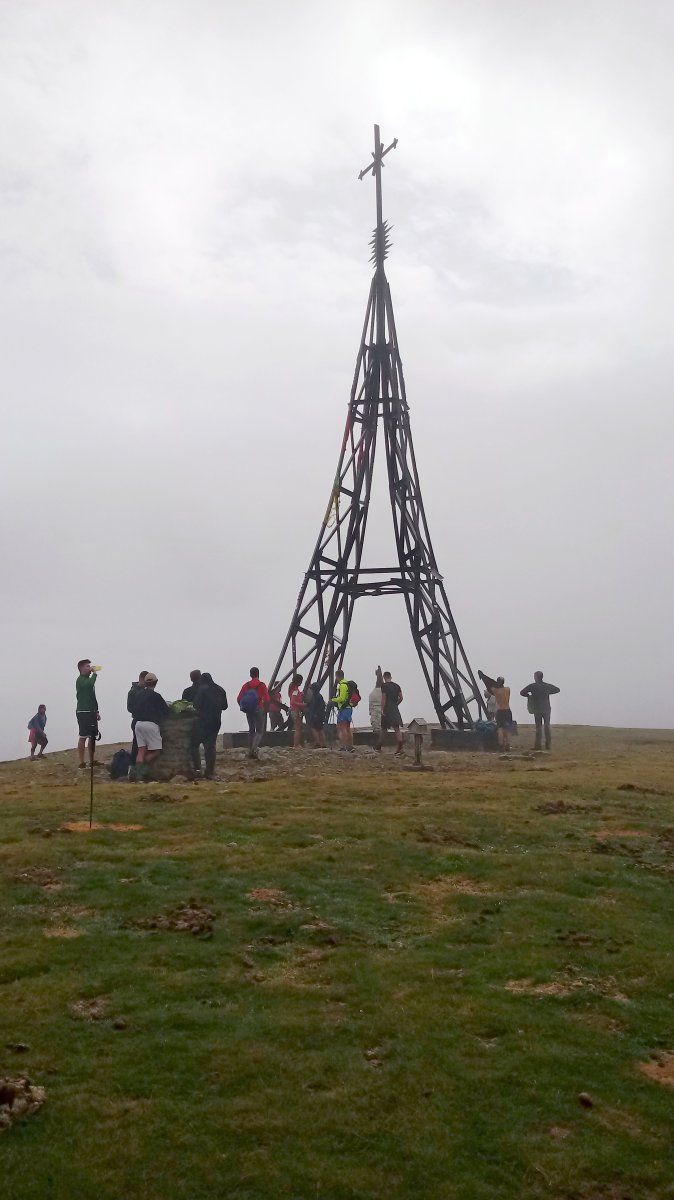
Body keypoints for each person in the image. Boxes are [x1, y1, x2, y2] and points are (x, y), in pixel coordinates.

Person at [130, 672, 168, 779]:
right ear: (156, 683)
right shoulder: (157, 696)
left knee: (141, 750)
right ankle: (144, 768)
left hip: (138, 725)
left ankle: (138, 775)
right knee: (157, 751)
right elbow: (165, 711)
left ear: (145, 683)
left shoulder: (138, 694)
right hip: (150, 724)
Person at [191, 672, 228, 778]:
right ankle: (209, 772)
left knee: (194, 745)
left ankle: (197, 769)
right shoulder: (220, 690)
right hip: (216, 722)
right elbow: (225, 706)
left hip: (202, 722)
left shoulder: (202, 690)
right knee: (210, 747)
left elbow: (196, 705)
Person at [520, 671, 560, 751]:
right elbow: (557, 689)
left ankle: (538, 746)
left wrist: (528, 695)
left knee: (538, 727)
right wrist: (548, 692)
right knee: (547, 726)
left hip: (537, 709)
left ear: (536, 677)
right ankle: (548, 745)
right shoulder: (547, 686)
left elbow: (522, 692)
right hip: (547, 708)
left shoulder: (533, 686)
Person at [237, 668, 269, 760]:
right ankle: (253, 750)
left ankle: (250, 749)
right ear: (258, 674)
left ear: (250, 675)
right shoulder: (262, 685)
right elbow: (267, 699)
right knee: (259, 731)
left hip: (248, 710)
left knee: (251, 729)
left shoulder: (246, 685)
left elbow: (238, 698)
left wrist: (243, 707)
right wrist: (265, 709)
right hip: (258, 708)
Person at [478, 670, 512, 751]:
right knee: (507, 729)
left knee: (500, 729)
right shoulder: (507, 689)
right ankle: (507, 744)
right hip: (508, 710)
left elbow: (489, 683)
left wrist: (483, 676)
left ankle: (500, 746)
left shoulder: (495, 691)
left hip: (500, 711)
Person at [76, 659, 100, 768]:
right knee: (83, 736)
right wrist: (94, 674)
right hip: (83, 712)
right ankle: (82, 762)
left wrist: (96, 711)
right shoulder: (80, 680)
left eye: (89, 666)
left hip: (91, 711)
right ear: (81, 668)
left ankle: (92, 760)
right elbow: (90, 684)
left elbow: (92, 697)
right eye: (87, 666)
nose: (89, 668)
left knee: (92, 736)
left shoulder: (87, 680)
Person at [127, 671, 149, 765]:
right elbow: (129, 708)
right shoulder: (133, 692)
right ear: (141, 679)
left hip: (146, 720)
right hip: (137, 720)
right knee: (137, 745)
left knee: (144, 745)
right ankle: (133, 766)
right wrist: (140, 710)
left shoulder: (146, 690)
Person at [381, 671, 404, 755]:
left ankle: (379, 746)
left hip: (387, 708)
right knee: (397, 728)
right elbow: (401, 697)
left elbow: (383, 698)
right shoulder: (397, 686)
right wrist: (396, 704)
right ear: (391, 677)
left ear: (384, 677)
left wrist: (382, 709)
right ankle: (400, 747)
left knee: (383, 728)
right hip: (394, 708)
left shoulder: (384, 686)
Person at [331, 669, 354, 752]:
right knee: (348, 728)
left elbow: (342, 698)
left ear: (338, 676)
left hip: (344, 709)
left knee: (343, 728)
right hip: (348, 708)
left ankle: (344, 746)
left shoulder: (342, 685)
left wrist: (333, 700)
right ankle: (350, 746)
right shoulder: (347, 684)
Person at [305, 683, 327, 748]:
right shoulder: (320, 696)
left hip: (316, 715)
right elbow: (322, 706)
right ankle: (323, 744)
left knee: (314, 729)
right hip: (321, 715)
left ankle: (317, 743)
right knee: (320, 729)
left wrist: (314, 714)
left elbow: (314, 706)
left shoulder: (315, 697)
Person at [369, 667, 384, 751]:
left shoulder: (374, 693)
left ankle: (378, 745)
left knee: (377, 725)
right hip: (379, 710)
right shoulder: (380, 691)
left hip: (376, 711)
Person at [288, 674, 305, 748]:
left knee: (297, 728)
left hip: (293, 710)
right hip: (296, 710)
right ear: (299, 681)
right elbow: (293, 702)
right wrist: (303, 705)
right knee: (298, 729)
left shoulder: (293, 689)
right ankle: (296, 744)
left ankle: (297, 744)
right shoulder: (295, 690)